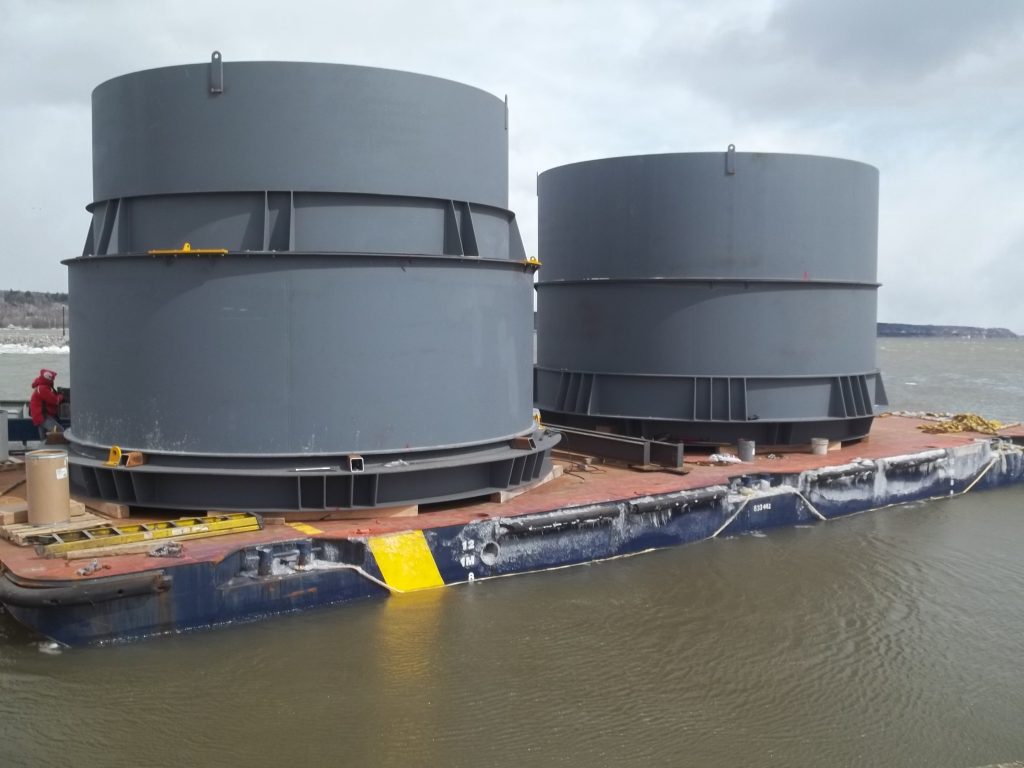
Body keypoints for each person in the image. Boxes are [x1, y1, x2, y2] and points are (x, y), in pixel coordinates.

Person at [29, 368, 64, 442]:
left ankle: (45, 447)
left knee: (44, 438)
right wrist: (61, 396)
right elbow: (55, 401)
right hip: (42, 416)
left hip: (39, 415)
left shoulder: (41, 386)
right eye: (52, 379)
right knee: (60, 431)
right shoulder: (42, 389)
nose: (53, 380)